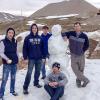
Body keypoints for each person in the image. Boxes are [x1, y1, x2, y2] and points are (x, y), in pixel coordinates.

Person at [62, 22, 89, 87]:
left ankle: (78, 81)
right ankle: (85, 80)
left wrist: (82, 50)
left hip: (81, 55)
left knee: (81, 69)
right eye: (75, 26)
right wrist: (65, 36)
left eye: (78, 26)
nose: (77, 27)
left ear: (80, 27)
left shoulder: (84, 36)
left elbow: (87, 45)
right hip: (73, 55)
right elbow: (63, 33)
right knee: (74, 68)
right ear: (74, 27)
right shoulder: (71, 33)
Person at [23, 24, 45, 95]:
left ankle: (36, 83)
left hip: (39, 58)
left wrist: (43, 57)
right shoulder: (27, 38)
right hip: (31, 58)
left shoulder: (40, 38)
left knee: (38, 72)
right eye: (33, 28)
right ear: (31, 29)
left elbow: (43, 48)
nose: (34, 29)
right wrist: (25, 57)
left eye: (35, 28)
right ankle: (25, 87)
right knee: (29, 73)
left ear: (37, 29)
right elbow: (25, 48)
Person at [0, 28, 18, 99]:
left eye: (12, 33)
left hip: (14, 63)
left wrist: (18, 58)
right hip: (7, 64)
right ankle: (1, 94)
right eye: (9, 32)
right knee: (4, 79)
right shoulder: (3, 42)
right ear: (7, 33)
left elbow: (16, 51)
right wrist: (7, 59)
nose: (11, 34)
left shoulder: (15, 41)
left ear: (13, 34)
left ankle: (12, 90)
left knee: (13, 78)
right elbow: (1, 53)